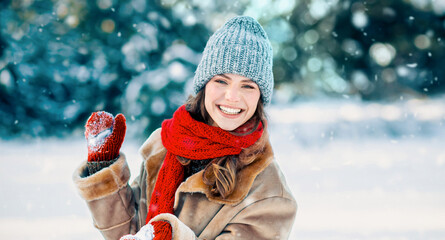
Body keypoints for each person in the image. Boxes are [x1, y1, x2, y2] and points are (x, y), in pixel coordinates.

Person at [73, 16, 297, 240]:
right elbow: (128, 232)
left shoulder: (268, 190)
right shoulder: (163, 144)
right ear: (204, 84)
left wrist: (169, 235)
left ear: (260, 97)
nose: (232, 97)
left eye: (247, 86)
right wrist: (103, 166)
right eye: (221, 81)